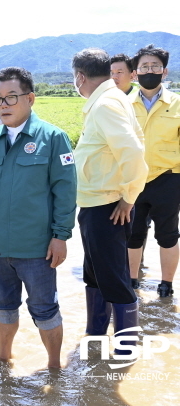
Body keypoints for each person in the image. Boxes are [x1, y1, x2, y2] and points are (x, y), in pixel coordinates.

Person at [0, 67, 76, 368]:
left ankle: (55, 367)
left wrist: (60, 236)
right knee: (2, 307)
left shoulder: (53, 138)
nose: (3, 105)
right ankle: (4, 361)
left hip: (36, 248)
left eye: (11, 98)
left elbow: (65, 192)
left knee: (44, 309)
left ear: (30, 98)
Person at [71, 48, 148, 353]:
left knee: (114, 278)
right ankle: (96, 333)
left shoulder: (105, 104)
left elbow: (133, 153)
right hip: (96, 204)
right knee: (96, 274)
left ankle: (126, 347)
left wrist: (128, 199)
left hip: (107, 206)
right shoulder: (112, 98)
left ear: (80, 76)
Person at [127, 44, 180, 297]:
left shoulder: (177, 104)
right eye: (144, 67)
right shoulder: (123, 105)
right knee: (132, 234)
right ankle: (132, 280)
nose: (150, 70)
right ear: (135, 73)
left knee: (168, 235)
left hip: (168, 179)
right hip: (132, 179)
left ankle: (166, 284)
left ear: (164, 71)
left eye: (155, 66)